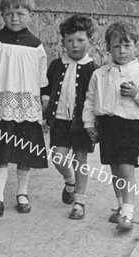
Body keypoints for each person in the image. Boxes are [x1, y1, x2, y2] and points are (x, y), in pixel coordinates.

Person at [82, 21, 139, 231]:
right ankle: (120, 207)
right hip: (107, 126)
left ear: (135, 46)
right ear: (108, 48)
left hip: (130, 127)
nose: (122, 51)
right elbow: (90, 100)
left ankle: (128, 213)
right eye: (116, 46)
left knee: (127, 168)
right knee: (115, 169)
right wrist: (89, 124)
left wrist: (137, 94)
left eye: (127, 45)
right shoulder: (100, 74)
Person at [0, 0, 48, 217]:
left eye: (20, 13)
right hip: (1, 107)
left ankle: (22, 193)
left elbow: (42, 79)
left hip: (27, 107)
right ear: (2, 15)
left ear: (30, 14)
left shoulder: (36, 46)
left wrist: (44, 102)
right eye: (9, 14)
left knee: (24, 154)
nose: (14, 18)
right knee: (2, 153)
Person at [41, 15, 98, 220]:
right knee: (57, 156)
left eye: (80, 40)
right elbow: (46, 87)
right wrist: (46, 101)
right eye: (70, 40)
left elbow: (97, 97)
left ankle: (79, 202)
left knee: (80, 160)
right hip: (59, 120)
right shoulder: (57, 64)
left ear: (89, 40)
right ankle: (69, 180)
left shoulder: (93, 69)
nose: (75, 45)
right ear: (63, 41)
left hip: (83, 123)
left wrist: (94, 123)